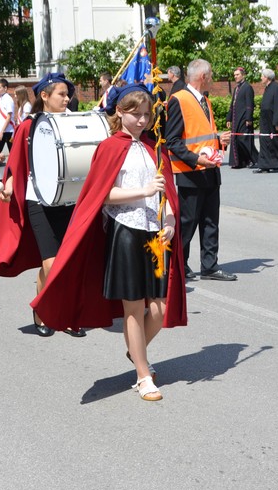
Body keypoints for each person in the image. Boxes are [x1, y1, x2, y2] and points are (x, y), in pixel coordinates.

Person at [32, 84, 187, 401]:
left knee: (159, 307)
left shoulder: (153, 147)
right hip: (125, 230)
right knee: (133, 307)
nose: (142, 120)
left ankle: (136, 350)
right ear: (120, 111)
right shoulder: (109, 147)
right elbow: (101, 195)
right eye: (135, 113)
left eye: (146, 114)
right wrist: (142, 192)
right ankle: (143, 376)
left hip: (156, 233)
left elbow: (167, 192)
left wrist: (170, 220)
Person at [0, 72, 85, 338]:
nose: (67, 99)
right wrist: (8, 187)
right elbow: (17, 163)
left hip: (69, 200)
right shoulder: (28, 126)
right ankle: (49, 312)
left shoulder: (72, 123)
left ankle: (57, 313)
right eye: (61, 94)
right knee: (52, 264)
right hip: (39, 200)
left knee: (64, 263)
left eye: (68, 94)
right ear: (44, 96)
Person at [164, 59, 236, 282]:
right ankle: (178, 265)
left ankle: (210, 265)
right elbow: (172, 141)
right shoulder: (179, 99)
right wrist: (196, 160)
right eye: (211, 75)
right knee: (187, 224)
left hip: (210, 170)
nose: (213, 79)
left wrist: (218, 138)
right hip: (191, 172)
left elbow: (201, 133)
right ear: (203, 76)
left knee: (210, 221)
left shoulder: (205, 100)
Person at [226, 66, 255, 169]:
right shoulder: (236, 88)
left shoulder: (247, 87)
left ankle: (253, 160)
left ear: (243, 75)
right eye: (234, 75)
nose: (235, 77)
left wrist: (249, 118)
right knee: (236, 139)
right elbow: (232, 104)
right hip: (236, 119)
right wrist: (228, 118)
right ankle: (239, 162)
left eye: (237, 75)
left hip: (244, 119)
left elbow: (249, 104)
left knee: (244, 140)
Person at [0, 78, 16, 151]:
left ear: (5, 88)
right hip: (0, 130)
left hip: (8, 131)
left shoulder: (8, 99)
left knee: (12, 153)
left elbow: (8, 117)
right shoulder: (0, 99)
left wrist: (1, 132)